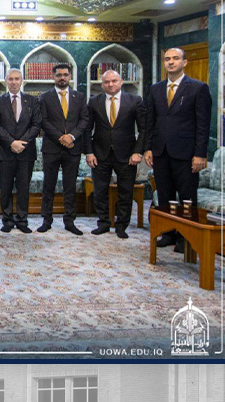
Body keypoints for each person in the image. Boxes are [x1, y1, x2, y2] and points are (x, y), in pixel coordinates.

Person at [144, 47, 212, 250]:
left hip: (186, 153)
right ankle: (168, 233)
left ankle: (186, 237)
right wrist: (148, 148)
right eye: (167, 59)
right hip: (161, 151)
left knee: (187, 197)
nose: (171, 62)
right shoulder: (156, 89)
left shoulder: (198, 88)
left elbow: (203, 125)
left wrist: (200, 154)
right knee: (165, 195)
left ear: (184, 62)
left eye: (175, 58)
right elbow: (150, 121)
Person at [84, 70, 146, 239]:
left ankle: (121, 226)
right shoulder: (94, 101)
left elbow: (144, 129)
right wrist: (89, 152)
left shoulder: (135, 100)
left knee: (125, 192)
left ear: (121, 81)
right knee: (100, 191)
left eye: (114, 81)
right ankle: (103, 223)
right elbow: (87, 129)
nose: (110, 84)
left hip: (127, 155)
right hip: (100, 154)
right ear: (102, 84)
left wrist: (138, 152)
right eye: (106, 82)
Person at [38, 63, 89, 235]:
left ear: (70, 76)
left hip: (73, 148)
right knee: (48, 186)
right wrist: (61, 137)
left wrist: (71, 136)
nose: (62, 78)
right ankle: (46, 220)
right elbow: (43, 121)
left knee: (70, 186)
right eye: (59, 75)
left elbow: (84, 120)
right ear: (53, 76)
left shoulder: (79, 97)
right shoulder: (44, 97)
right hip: (51, 148)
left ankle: (69, 221)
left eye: (65, 75)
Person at [0, 68, 42, 233]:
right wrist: (11, 143)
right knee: (5, 189)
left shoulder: (32, 101)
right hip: (5, 152)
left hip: (26, 153)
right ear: (6, 81)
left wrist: (22, 143)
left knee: (23, 189)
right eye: (11, 79)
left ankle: (22, 221)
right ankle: (7, 220)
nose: (14, 82)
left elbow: (36, 125)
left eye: (17, 79)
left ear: (21, 81)